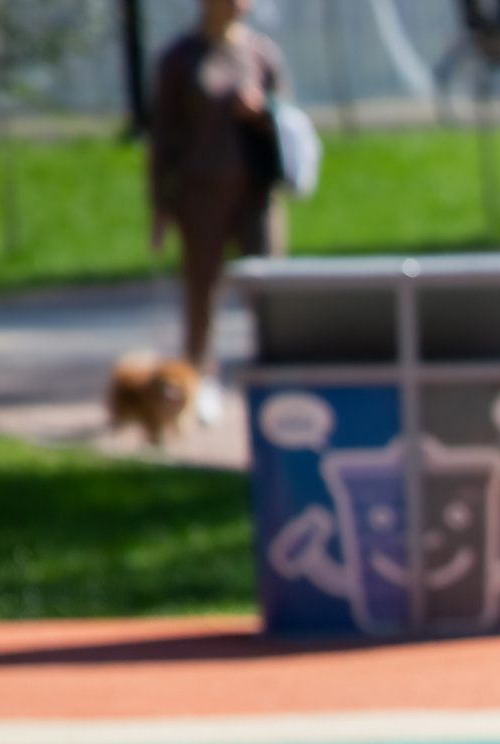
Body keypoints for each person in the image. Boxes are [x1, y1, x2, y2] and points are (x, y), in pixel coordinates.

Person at [148, 0, 287, 425]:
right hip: (201, 193)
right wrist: (161, 203)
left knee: (270, 289)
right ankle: (199, 380)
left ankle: (274, 375)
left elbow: (289, 120)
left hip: (256, 192)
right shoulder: (180, 59)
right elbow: (162, 136)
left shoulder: (262, 52)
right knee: (202, 290)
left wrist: (262, 112)